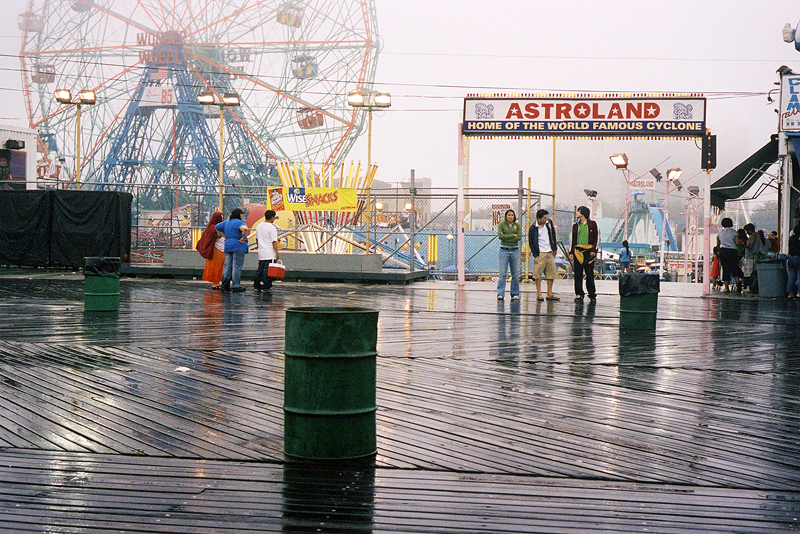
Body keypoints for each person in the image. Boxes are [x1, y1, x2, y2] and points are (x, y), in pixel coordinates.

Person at [528, 208, 560, 301]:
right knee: (537, 274)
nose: (546, 220)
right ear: (539, 218)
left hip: (549, 251)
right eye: (544, 218)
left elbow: (553, 235)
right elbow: (531, 241)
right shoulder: (533, 228)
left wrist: (554, 248)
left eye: (546, 218)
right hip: (540, 252)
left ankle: (549, 293)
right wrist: (535, 254)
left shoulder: (549, 224)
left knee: (551, 273)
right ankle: (539, 293)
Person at [569, 205, 598, 302]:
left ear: (583, 213)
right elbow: (572, 240)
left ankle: (592, 294)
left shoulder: (593, 224)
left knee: (589, 273)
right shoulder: (575, 226)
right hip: (578, 251)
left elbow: (597, 237)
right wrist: (571, 252)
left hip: (589, 251)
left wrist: (594, 250)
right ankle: (579, 294)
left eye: (578, 211)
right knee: (578, 273)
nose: (576, 213)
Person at [216, 207, 249, 292]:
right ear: (239, 215)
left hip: (228, 246)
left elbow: (217, 227)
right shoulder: (239, 222)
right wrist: (244, 237)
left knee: (227, 266)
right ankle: (236, 285)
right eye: (242, 214)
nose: (243, 216)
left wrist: (224, 235)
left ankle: (225, 285)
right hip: (238, 245)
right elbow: (244, 229)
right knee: (236, 266)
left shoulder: (227, 222)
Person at [496, 208, 522, 300]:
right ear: (506, 216)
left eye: (512, 215)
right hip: (504, 250)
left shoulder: (517, 225)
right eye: (509, 215)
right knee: (503, 273)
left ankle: (515, 293)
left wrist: (507, 237)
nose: (510, 217)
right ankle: (500, 293)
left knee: (515, 274)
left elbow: (518, 237)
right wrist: (512, 235)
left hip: (515, 250)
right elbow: (500, 236)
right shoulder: (502, 225)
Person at [196, 211, 225, 289]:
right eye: (221, 217)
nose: (222, 219)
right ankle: (215, 283)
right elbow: (217, 236)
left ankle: (217, 282)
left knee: (217, 267)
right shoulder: (214, 227)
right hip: (217, 250)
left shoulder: (212, 226)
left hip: (217, 250)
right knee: (217, 267)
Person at [254, 210, 280, 291]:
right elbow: (274, 241)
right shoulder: (272, 228)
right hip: (269, 252)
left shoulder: (259, 226)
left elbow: (257, 239)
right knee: (268, 270)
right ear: (272, 217)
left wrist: (259, 247)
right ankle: (266, 285)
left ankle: (256, 284)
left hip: (261, 252)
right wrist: (276, 253)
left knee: (260, 269)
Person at [716, 217, 742, 293]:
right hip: (733, 251)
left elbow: (718, 243)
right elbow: (737, 243)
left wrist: (719, 250)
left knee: (725, 268)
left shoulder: (720, 232)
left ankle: (726, 287)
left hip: (723, 251)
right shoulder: (734, 232)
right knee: (734, 267)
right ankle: (738, 282)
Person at [787, 224, 800, 299]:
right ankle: (799, 292)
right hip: (798, 258)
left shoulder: (791, 238)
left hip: (791, 258)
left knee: (791, 277)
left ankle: (790, 293)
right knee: (799, 277)